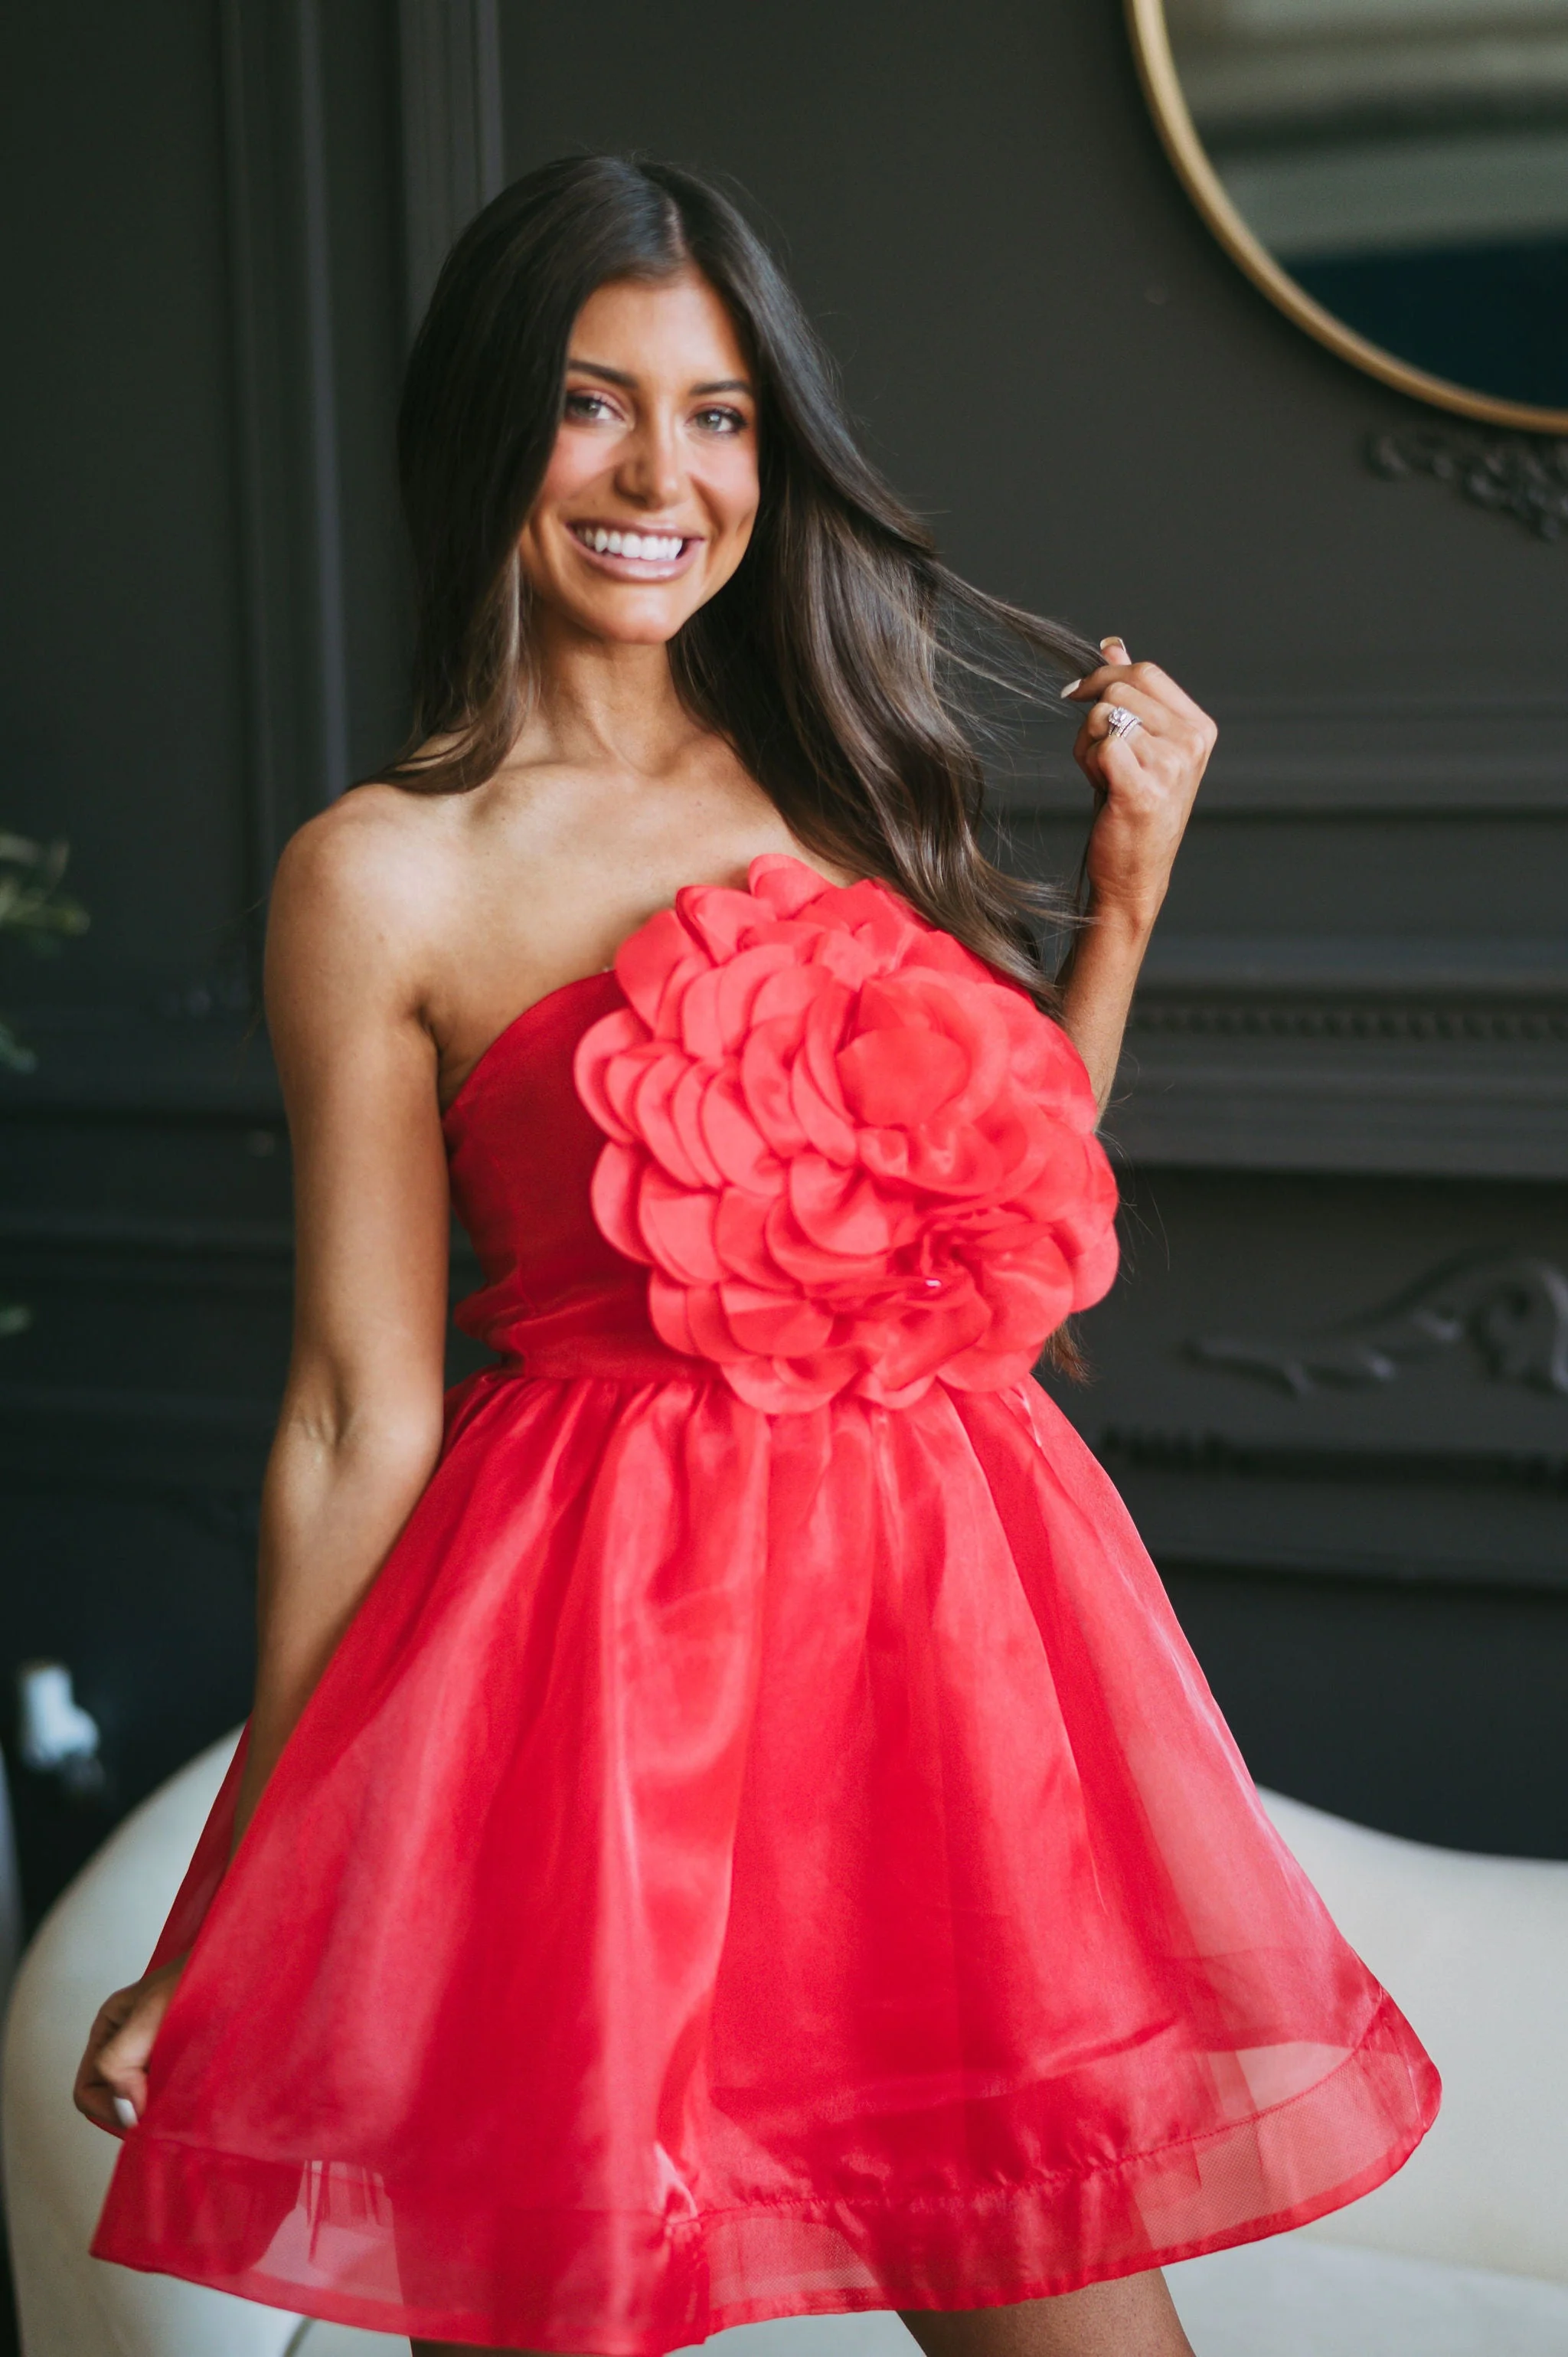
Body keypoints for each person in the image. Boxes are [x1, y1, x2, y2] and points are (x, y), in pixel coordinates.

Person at [77, 157, 1437, 2357]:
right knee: (542, 2303)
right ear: (481, 431)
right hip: (590, 1687)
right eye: (593, 404)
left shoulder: (843, 779)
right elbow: (352, 1411)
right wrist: (230, 1913)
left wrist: (1127, 899)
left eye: (717, 416)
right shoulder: (386, 879)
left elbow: (995, 1250)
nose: (660, 475)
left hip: (937, 1661)